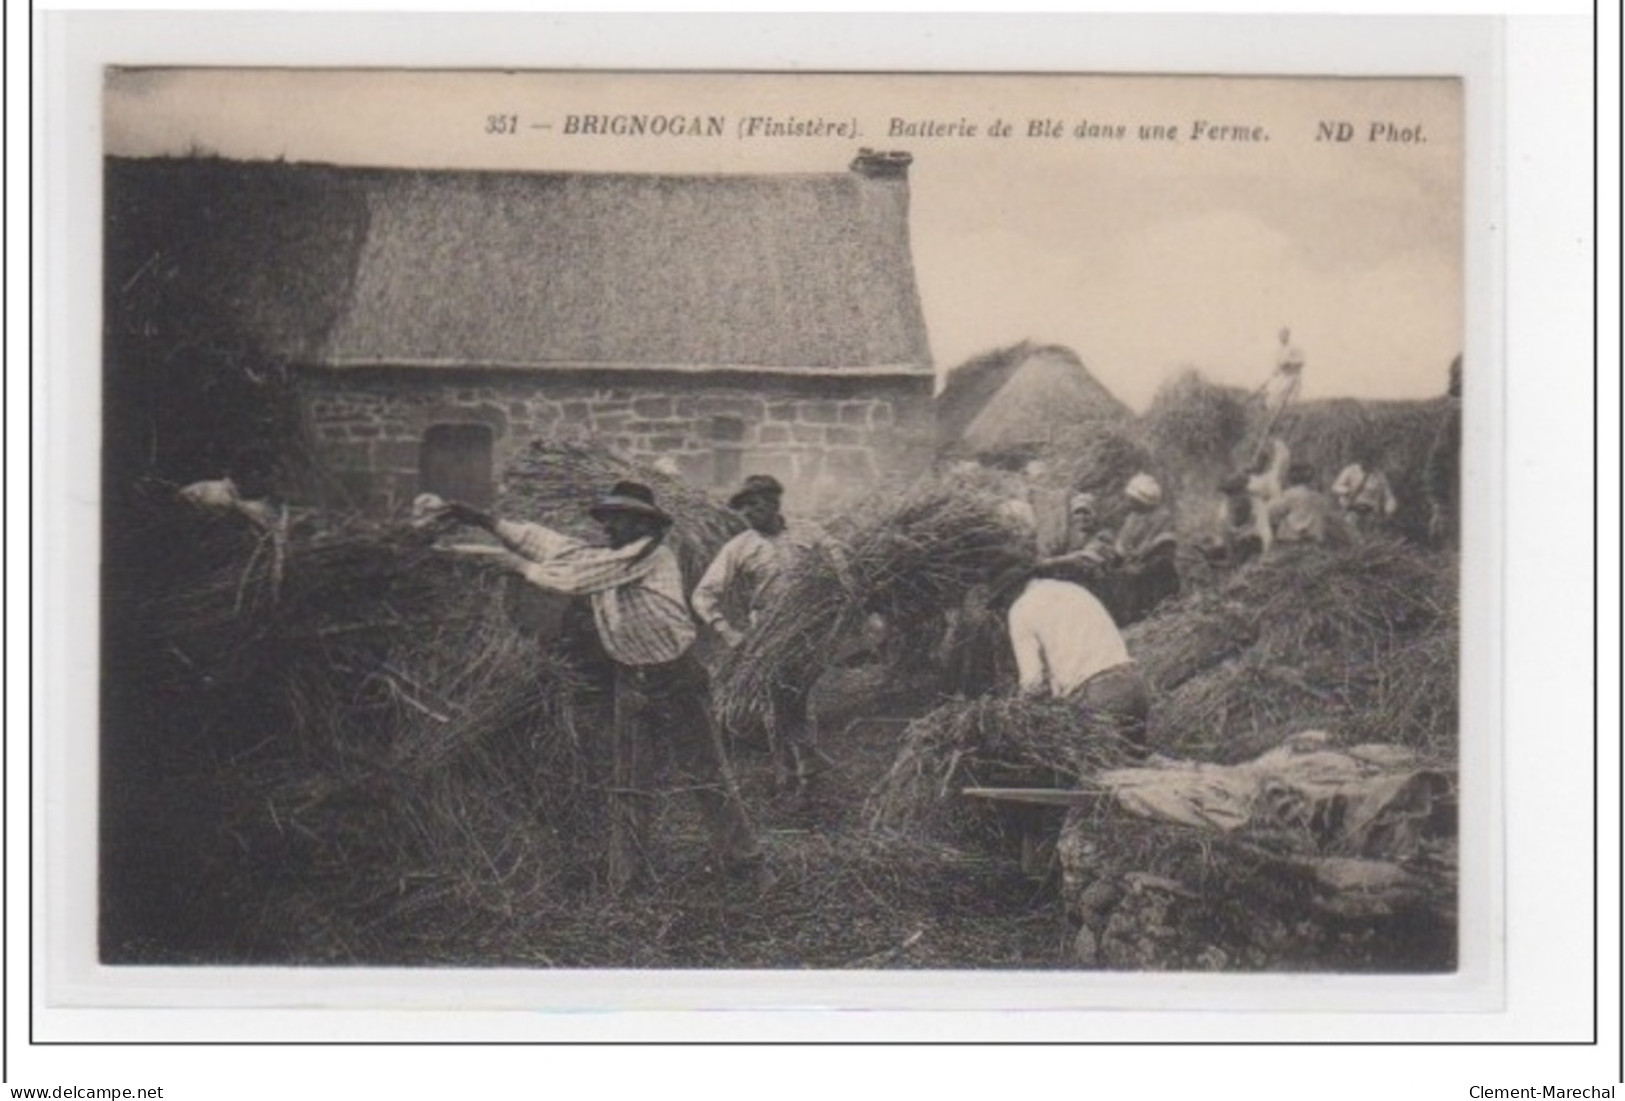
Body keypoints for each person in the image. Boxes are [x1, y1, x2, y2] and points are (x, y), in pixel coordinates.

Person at [433, 482, 762, 892]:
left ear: (642, 523)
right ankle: (626, 878)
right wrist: (478, 518)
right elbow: (546, 543)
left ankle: (744, 860)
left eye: (616, 519)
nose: (606, 526)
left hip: (676, 680)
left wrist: (513, 565)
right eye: (605, 519)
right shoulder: (610, 555)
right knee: (629, 781)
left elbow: (570, 577)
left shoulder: (650, 555)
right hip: (631, 680)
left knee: (706, 771)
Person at [691, 474, 843, 790]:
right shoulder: (739, 547)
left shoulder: (809, 532)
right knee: (776, 700)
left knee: (802, 697)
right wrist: (728, 632)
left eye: (755, 504)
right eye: (743, 508)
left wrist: (841, 589)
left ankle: (804, 769)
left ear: (774, 501)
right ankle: (790, 771)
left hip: (810, 631)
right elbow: (703, 595)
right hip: (769, 635)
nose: (749, 513)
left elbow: (840, 562)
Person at [990, 567, 1150, 751]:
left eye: (1001, 602)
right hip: (1133, 686)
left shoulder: (1020, 610)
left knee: (1099, 772)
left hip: (1097, 697)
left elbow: (1032, 682)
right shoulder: (1073, 589)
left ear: (1010, 591)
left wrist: (1020, 720)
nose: (1003, 608)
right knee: (1137, 765)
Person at [1110, 473, 1181, 624]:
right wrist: (1118, 559)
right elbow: (1121, 546)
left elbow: (1164, 548)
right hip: (1132, 568)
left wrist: (1142, 565)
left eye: (1133, 499)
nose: (1129, 502)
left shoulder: (1162, 518)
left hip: (1153, 571)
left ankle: (1153, 612)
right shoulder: (1132, 518)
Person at [1199, 473, 1269, 566]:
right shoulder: (1230, 503)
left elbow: (1254, 524)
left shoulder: (1252, 501)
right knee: (1216, 550)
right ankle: (1223, 556)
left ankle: (1232, 561)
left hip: (1254, 539)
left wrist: (1237, 532)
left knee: (1245, 543)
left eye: (1233, 492)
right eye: (1229, 494)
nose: (1231, 497)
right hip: (1239, 538)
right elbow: (1227, 524)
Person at [1268, 463, 1345, 546]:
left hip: (1291, 539)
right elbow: (1328, 515)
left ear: (1291, 479)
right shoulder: (1319, 497)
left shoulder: (1289, 495)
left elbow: (1271, 511)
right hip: (1315, 540)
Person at [1331, 460, 1399, 534]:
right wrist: (1346, 491)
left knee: (1370, 536)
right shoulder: (1351, 470)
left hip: (1370, 513)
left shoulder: (1379, 475)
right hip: (1353, 510)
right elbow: (1336, 487)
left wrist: (1389, 509)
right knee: (1349, 534)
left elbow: (1388, 494)